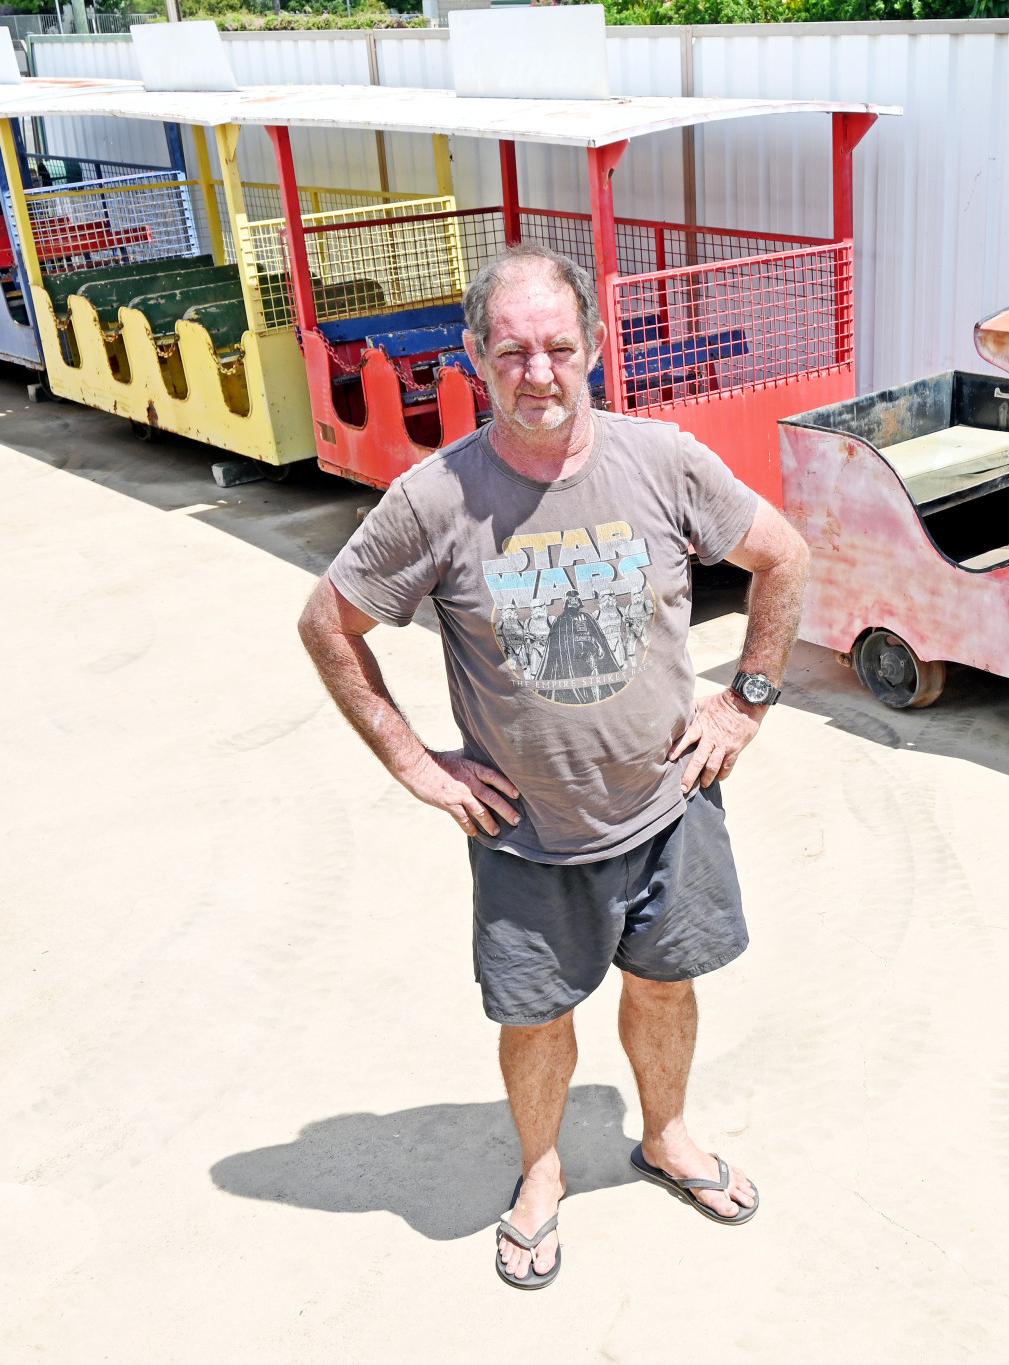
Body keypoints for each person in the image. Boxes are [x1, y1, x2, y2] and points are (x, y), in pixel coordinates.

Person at [296, 245, 809, 1291]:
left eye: (559, 347)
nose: (539, 371)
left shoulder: (661, 460)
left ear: (594, 349)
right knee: (533, 1018)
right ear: (477, 356)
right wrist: (415, 764)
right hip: (525, 837)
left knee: (665, 988)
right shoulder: (435, 498)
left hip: (671, 807)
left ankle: (663, 1136)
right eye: (514, 350)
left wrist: (745, 699)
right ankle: (540, 1174)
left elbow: (783, 556)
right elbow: (327, 622)